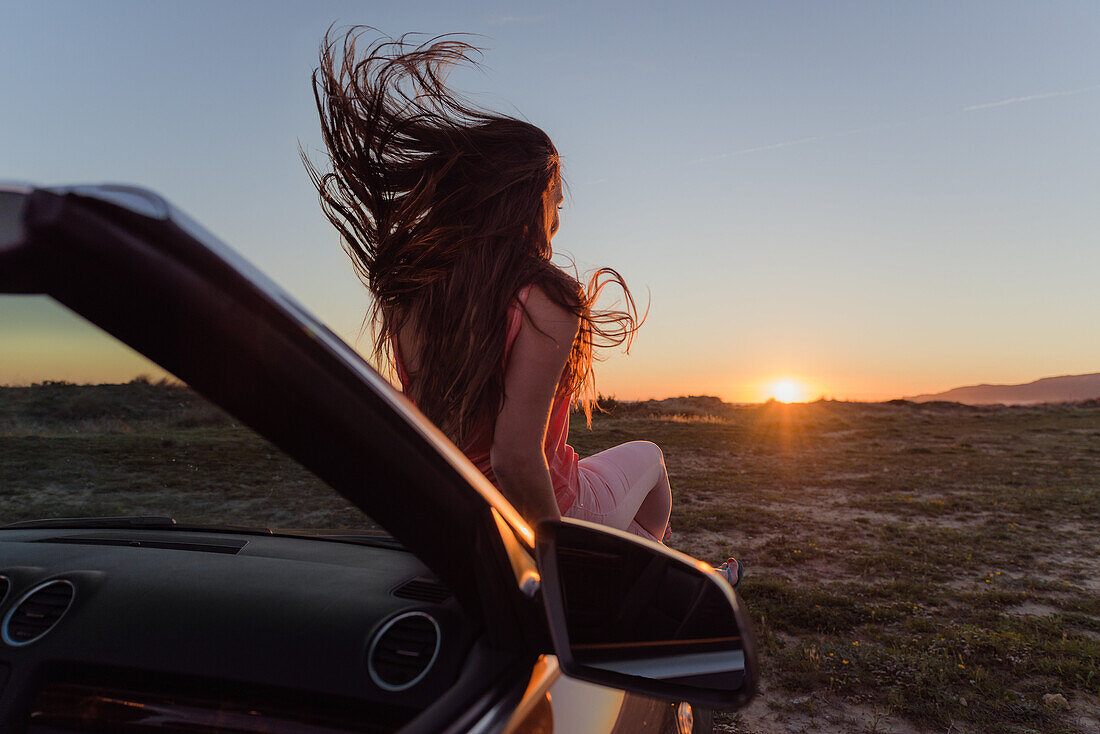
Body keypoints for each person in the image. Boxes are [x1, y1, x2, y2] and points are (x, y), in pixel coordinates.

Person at [305, 29, 741, 583]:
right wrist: (556, 562)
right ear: (530, 200)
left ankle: (669, 573)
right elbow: (514, 459)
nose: (558, 222)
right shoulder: (546, 299)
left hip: (452, 512)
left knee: (617, 509)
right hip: (543, 510)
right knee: (651, 458)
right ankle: (638, 586)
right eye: (555, 202)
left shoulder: (410, 292)